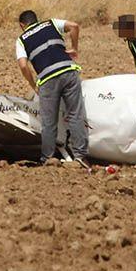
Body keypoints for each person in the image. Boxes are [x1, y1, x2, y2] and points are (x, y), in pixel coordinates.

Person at [15, 10, 89, 164]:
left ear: (22, 25)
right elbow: (74, 26)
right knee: (75, 114)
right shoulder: (51, 23)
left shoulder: (21, 40)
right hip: (68, 71)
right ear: (37, 20)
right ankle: (80, 156)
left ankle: (48, 158)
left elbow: (23, 65)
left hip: (47, 79)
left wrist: (33, 84)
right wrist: (74, 48)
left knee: (49, 122)